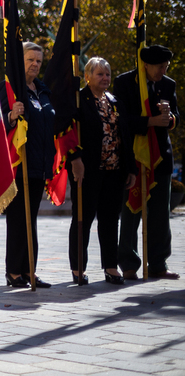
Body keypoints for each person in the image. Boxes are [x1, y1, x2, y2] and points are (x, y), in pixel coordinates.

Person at [67, 58, 137, 285]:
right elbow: (68, 133)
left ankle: (110, 266)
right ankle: (78, 268)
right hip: (88, 170)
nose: (105, 78)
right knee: (83, 219)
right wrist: (75, 159)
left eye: (107, 74)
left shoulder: (115, 101)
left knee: (109, 220)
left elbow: (125, 136)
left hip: (114, 170)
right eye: (100, 74)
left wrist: (130, 168)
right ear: (87, 76)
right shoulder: (78, 99)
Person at [115, 44, 180, 280]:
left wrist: (169, 118)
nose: (162, 71)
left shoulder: (168, 84)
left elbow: (176, 117)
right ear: (145, 64)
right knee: (131, 211)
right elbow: (122, 119)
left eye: (166, 67)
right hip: (134, 157)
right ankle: (129, 263)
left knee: (161, 214)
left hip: (160, 157)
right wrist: (150, 121)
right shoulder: (124, 83)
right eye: (159, 67)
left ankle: (158, 263)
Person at [0, 42, 55, 288]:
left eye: (38, 61)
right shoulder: (8, 89)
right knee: (18, 219)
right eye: (30, 59)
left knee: (31, 220)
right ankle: (14, 272)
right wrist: (11, 116)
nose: (35, 64)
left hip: (39, 165)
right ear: (19, 62)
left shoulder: (42, 91)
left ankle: (29, 270)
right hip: (17, 164)